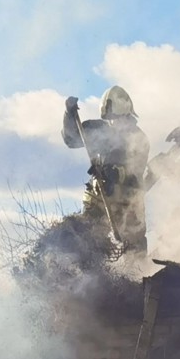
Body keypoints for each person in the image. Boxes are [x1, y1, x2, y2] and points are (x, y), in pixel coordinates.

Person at [62, 86, 150, 255]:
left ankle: (138, 276)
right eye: (110, 119)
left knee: (135, 245)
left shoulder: (139, 140)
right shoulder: (100, 130)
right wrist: (69, 115)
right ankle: (90, 273)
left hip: (128, 200)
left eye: (116, 118)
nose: (113, 123)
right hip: (100, 197)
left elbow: (135, 172)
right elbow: (72, 139)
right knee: (89, 237)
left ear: (126, 114)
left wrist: (116, 173)